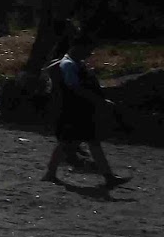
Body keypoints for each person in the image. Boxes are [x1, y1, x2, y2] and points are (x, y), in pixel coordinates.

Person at [43, 34, 127, 187]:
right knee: (69, 142)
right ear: (79, 47)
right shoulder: (69, 65)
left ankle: (108, 177)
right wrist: (99, 101)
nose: (90, 53)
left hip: (78, 110)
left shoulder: (75, 63)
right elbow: (75, 87)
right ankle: (50, 173)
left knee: (80, 142)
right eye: (88, 49)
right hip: (74, 110)